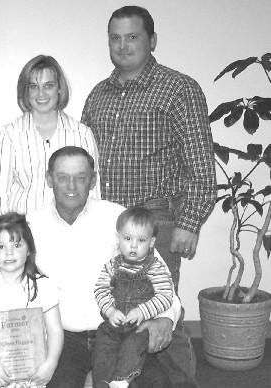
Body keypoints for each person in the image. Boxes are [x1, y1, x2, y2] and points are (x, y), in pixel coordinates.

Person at [81, 6, 216, 387]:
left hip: (157, 221)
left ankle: (181, 383)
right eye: (115, 37)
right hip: (109, 222)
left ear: (152, 40)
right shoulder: (97, 96)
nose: (123, 45)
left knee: (160, 315)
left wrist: (189, 224)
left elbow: (202, 167)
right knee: (118, 313)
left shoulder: (178, 89)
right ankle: (120, 379)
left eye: (133, 37)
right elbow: (85, 163)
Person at [28, 146, 181, 388]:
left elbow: (160, 276)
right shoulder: (31, 227)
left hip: (121, 334)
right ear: (48, 179)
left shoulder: (117, 218)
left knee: (156, 384)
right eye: (62, 177)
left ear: (92, 180)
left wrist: (165, 319)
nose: (71, 186)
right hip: (63, 340)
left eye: (80, 177)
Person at [0, 55, 100, 219]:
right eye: (34, 86)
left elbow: (93, 194)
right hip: (24, 234)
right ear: (26, 91)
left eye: (48, 85)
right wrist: (9, 238)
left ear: (59, 88)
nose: (41, 93)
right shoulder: (10, 135)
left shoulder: (81, 134)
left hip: (71, 231)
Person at [0, 212, 64, 388]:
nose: (9, 252)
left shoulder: (44, 285)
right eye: (0, 247)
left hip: (36, 368)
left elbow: (55, 330)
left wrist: (50, 364)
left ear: (29, 249)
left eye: (17, 244)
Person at [93, 207, 175, 388]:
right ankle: (102, 383)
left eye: (141, 240)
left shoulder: (155, 268)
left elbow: (165, 296)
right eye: (128, 238)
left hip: (139, 326)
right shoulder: (112, 265)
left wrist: (142, 311)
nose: (133, 245)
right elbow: (100, 290)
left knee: (133, 346)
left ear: (152, 242)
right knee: (102, 345)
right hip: (114, 322)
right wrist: (110, 310)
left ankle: (123, 379)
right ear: (118, 238)